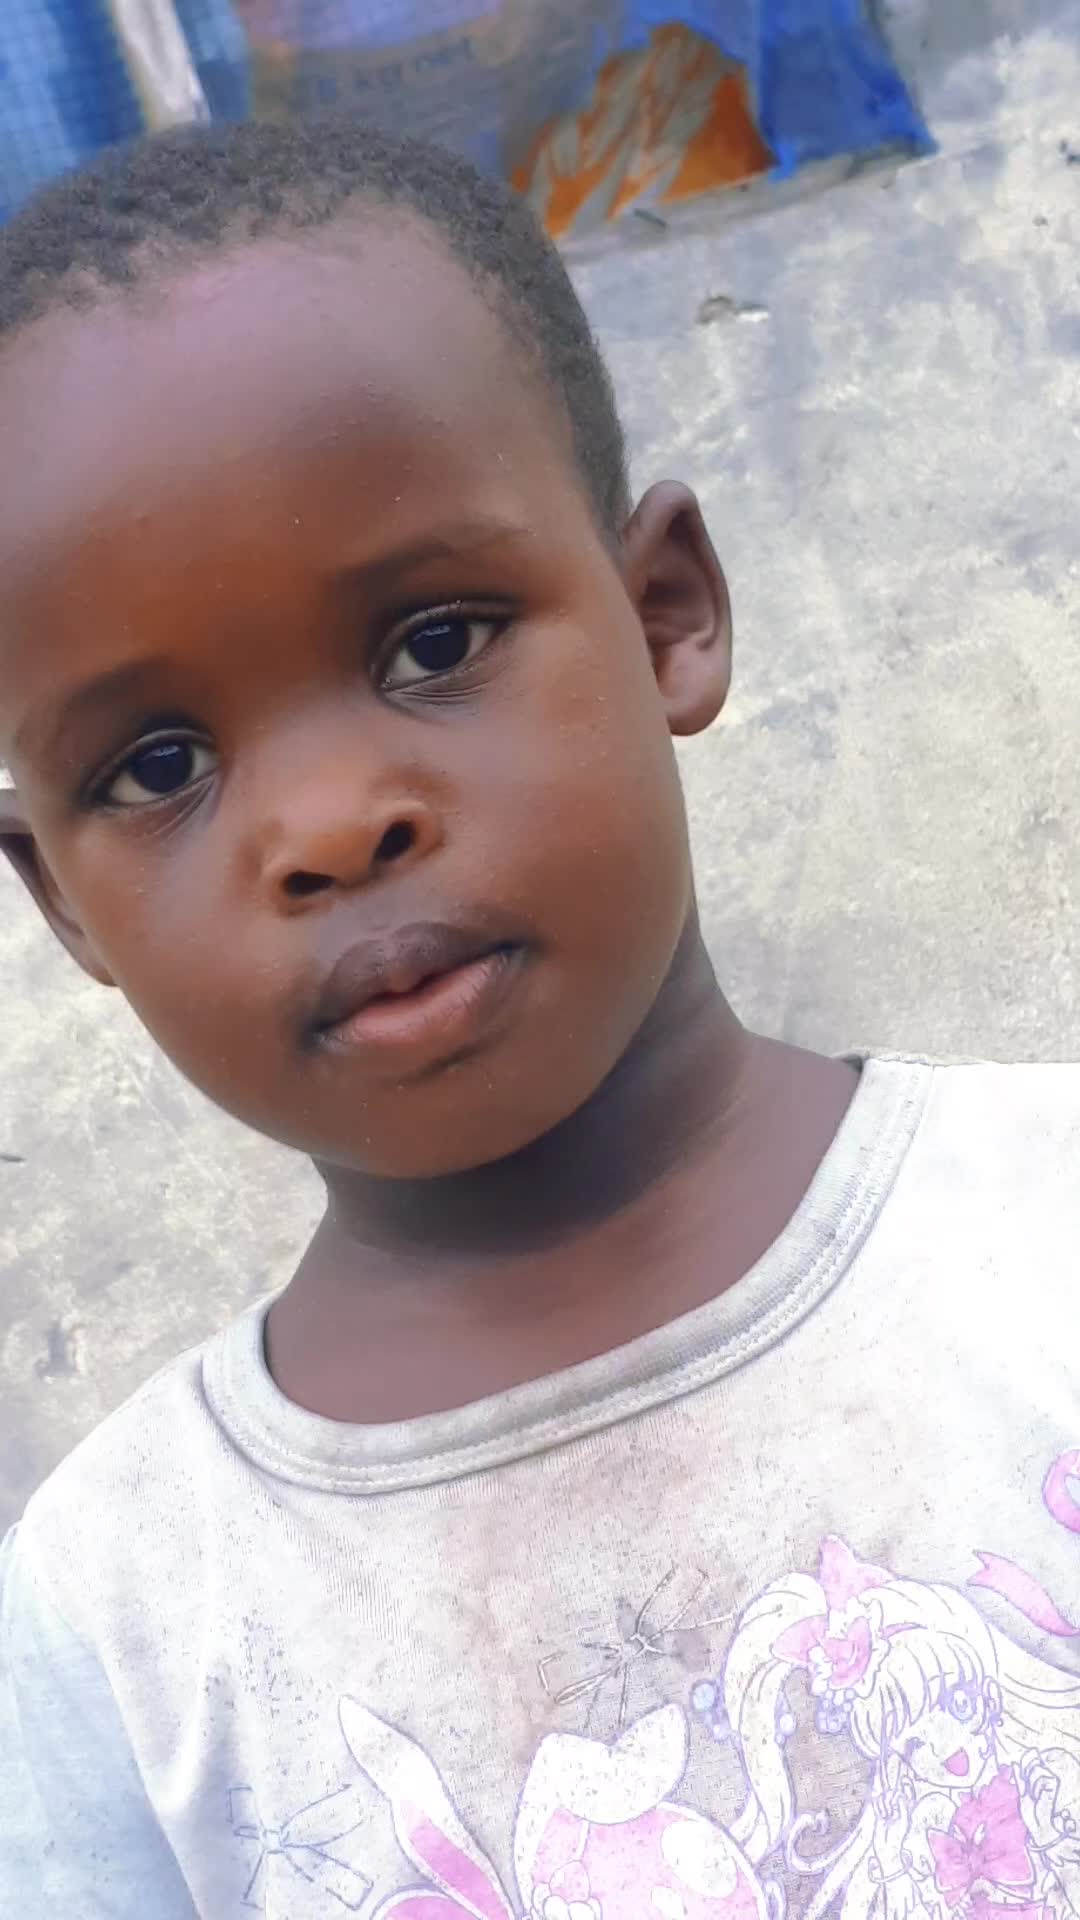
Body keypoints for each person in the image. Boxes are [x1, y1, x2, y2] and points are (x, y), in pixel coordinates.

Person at [0, 117, 1077, 1920]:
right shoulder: (114, 1625)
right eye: (159, 764)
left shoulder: (1050, 1225)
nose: (329, 823)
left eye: (435, 642)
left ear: (668, 619)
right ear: (60, 901)